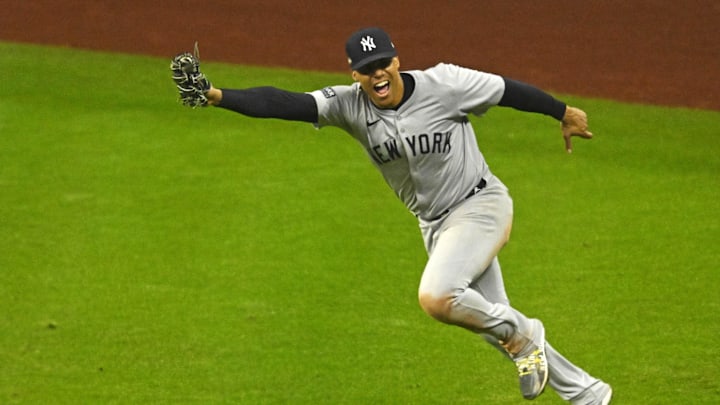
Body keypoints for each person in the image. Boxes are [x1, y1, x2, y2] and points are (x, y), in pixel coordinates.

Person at [171, 27, 612, 404]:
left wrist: (562, 111)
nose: (376, 73)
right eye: (366, 67)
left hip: (480, 205)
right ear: (354, 74)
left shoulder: (446, 83)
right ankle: (588, 393)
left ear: (397, 61)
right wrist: (215, 95)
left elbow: (505, 90)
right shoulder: (349, 105)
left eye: (382, 62)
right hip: (436, 226)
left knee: (439, 297)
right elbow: (283, 102)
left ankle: (525, 331)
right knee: (488, 320)